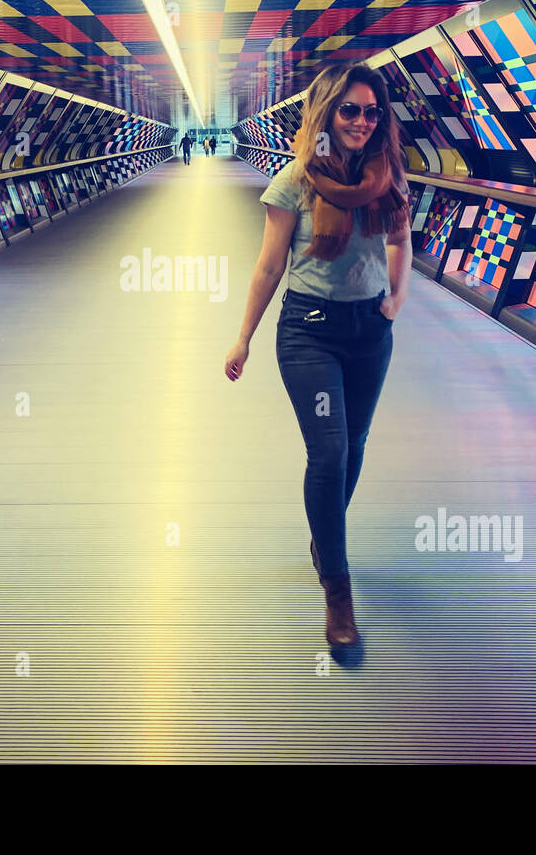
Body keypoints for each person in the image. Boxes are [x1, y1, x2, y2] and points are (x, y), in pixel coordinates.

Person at [223, 62, 412, 653]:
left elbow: (400, 240)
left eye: (371, 111)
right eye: (350, 109)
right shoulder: (293, 184)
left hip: (368, 333)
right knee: (328, 450)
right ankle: (337, 588)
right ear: (327, 112)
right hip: (309, 332)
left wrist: (395, 301)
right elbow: (270, 265)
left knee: (353, 449)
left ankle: (323, 537)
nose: (361, 121)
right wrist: (243, 337)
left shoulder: (389, 178)